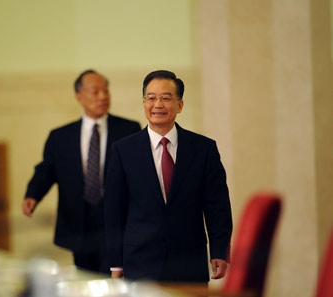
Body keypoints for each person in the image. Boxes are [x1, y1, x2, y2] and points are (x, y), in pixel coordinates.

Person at [104, 70, 233, 283]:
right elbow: (114, 211)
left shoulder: (203, 149)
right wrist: (116, 263)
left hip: (189, 262)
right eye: (151, 98)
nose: (158, 105)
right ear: (143, 102)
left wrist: (220, 251)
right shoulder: (123, 150)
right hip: (140, 262)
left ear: (180, 105)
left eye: (166, 98)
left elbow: (217, 205)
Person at [22, 69, 141, 274]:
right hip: (78, 220)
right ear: (79, 96)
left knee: (115, 276)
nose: (103, 96)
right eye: (95, 92)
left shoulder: (128, 129)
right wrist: (33, 194)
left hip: (116, 219)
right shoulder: (60, 136)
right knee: (86, 277)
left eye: (106, 91)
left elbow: (140, 173)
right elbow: (47, 169)